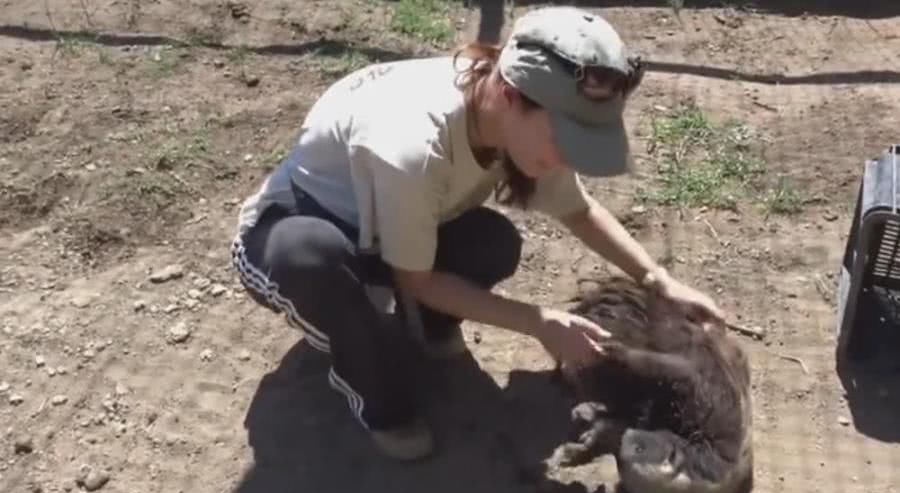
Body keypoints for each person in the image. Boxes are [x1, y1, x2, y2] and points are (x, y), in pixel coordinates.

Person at [230, 6, 724, 461]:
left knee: (493, 243)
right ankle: (368, 385)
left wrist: (658, 279)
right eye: (565, 139)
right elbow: (418, 279)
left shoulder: (513, 117)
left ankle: (421, 325)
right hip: (296, 234)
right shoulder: (411, 143)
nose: (569, 157)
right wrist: (538, 322)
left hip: (388, 233)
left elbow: (577, 210)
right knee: (325, 277)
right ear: (510, 95)